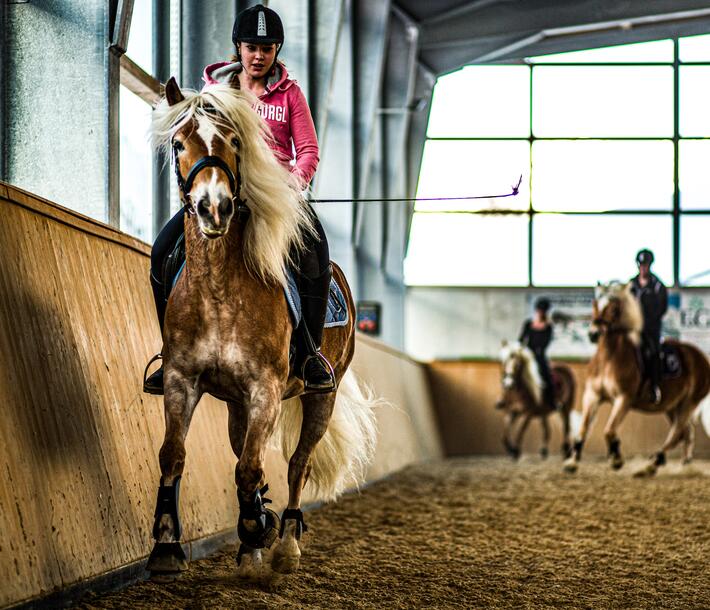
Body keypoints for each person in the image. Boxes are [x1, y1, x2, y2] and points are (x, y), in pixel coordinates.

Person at [144, 4, 335, 395]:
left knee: (315, 254)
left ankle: (311, 354)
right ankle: (171, 353)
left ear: (277, 50)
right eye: (251, 47)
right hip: (225, 193)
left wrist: (293, 186)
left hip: (277, 200)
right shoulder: (217, 91)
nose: (258, 56)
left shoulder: (291, 95)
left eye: (267, 48)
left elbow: (309, 151)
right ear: (238, 47)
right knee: (163, 250)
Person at [629, 249, 668, 404]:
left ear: (650, 266)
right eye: (641, 265)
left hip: (651, 329)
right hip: (633, 329)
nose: (643, 268)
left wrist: (646, 322)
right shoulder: (631, 284)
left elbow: (661, 309)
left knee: (654, 353)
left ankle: (654, 386)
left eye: (646, 265)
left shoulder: (658, 286)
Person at [519, 297, 556, 410]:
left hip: (539, 355)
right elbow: (521, 339)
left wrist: (536, 352)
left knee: (546, 375)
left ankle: (551, 401)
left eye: (543, 310)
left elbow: (545, 344)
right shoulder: (528, 324)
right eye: (539, 310)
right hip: (526, 354)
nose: (540, 312)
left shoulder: (548, 327)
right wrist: (521, 350)